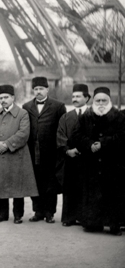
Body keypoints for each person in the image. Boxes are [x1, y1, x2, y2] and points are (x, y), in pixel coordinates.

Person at [71, 87, 125, 235]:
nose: (101, 103)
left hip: (112, 163)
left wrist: (103, 143)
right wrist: (89, 144)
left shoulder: (119, 117)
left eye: (104, 100)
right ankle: (92, 224)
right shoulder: (86, 116)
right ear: (93, 101)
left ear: (109, 101)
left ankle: (114, 225)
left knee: (112, 194)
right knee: (92, 194)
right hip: (91, 163)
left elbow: (122, 137)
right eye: (98, 100)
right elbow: (75, 135)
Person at [0, 85, 38, 224]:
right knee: (1, 185)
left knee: (17, 187)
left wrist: (6, 144)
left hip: (17, 156)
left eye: (6, 97)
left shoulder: (22, 113)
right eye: (1, 98)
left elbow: (23, 133)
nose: (3, 100)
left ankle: (18, 215)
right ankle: (3, 214)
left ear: (13, 97)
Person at [23, 77, 66, 223]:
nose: (38, 92)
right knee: (34, 182)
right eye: (36, 89)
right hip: (32, 151)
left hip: (50, 152)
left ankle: (49, 213)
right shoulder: (26, 106)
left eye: (41, 89)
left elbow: (62, 129)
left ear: (47, 89)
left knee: (50, 184)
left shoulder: (58, 106)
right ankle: (38, 211)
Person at [56, 84, 90, 227]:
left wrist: (87, 149)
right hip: (70, 158)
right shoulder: (66, 117)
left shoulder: (93, 115)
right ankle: (69, 217)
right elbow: (60, 135)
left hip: (88, 159)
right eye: (73, 96)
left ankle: (85, 218)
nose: (75, 99)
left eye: (78, 96)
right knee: (70, 188)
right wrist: (67, 150)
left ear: (87, 98)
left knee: (87, 188)